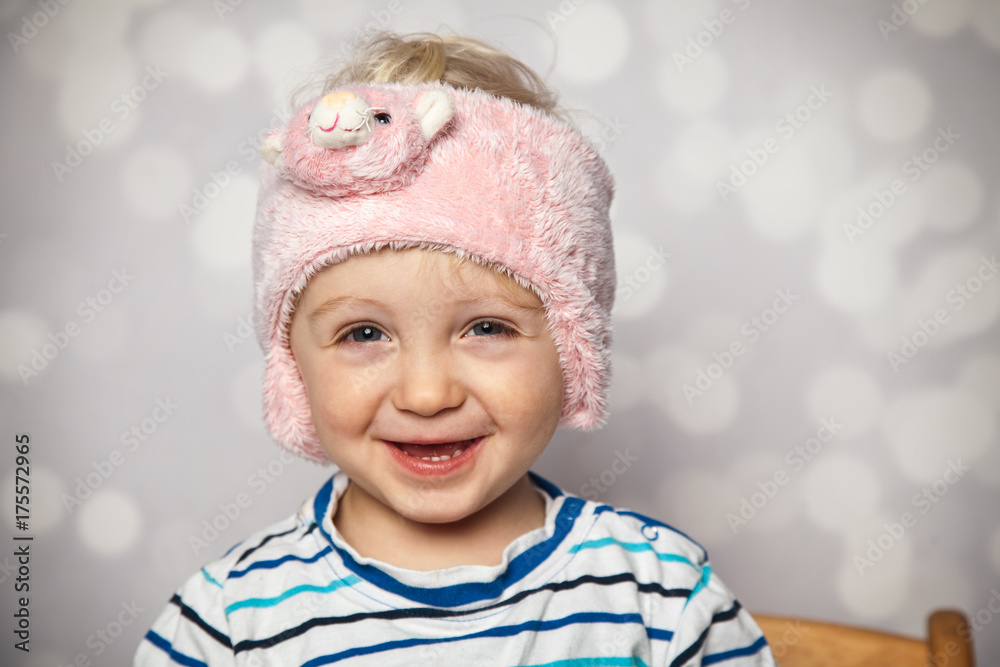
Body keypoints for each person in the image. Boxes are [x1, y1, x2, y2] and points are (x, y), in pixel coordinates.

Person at [135, 31, 777, 666]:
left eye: (487, 328)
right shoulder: (227, 622)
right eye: (364, 334)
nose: (427, 395)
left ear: (573, 348)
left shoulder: (661, 595)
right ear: (291, 366)